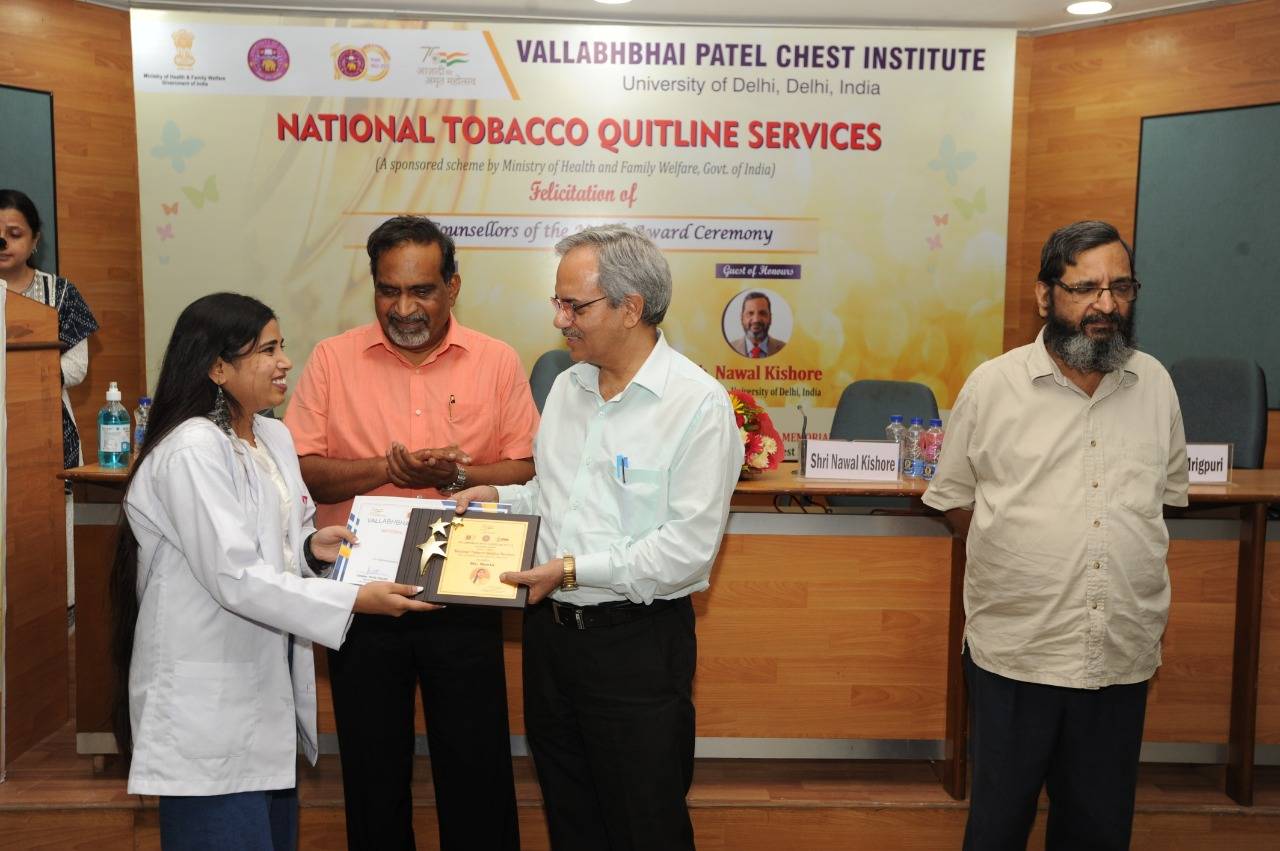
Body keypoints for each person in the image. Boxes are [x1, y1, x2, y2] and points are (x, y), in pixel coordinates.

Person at [108, 292, 434, 850]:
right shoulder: (192, 449)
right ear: (217, 368)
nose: (285, 362)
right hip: (208, 713)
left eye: (282, 346)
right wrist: (354, 600)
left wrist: (310, 550)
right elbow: (235, 576)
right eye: (267, 350)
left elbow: (276, 543)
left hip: (264, 698)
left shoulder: (273, 437)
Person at [455, 224, 742, 851]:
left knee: (646, 825)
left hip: (636, 647)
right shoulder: (568, 387)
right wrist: (500, 499)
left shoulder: (697, 405)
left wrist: (570, 569)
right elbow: (555, 497)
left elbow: (686, 551)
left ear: (630, 308)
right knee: (571, 818)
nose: (560, 319)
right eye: (558, 303)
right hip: (551, 643)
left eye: (575, 306)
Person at [923, 220, 1189, 851]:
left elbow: (1164, 499)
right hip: (1018, 652)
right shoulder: (993, 386)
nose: (1106, 304)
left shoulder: (1155, 384)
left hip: (1118, 652)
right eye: (1085, 288)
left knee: (1098, 830)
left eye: (1120, 287)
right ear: (1045, 296)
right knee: (998, 827)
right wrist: (1023, 550)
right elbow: (955, 500)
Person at [284, 215, 538, 851]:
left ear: (453, 287)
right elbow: (302, 468)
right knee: (372, 773)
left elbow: (529, 466)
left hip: (466, 589)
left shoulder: (497, 360)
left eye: (421, 291)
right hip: (363, 594)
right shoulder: (332, 360)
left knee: (477, 771)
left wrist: (459, 475)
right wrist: (386, 470)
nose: (404, 309)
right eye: (388, 291)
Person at [0, 188, 99, 470]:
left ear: (35, 240)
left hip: (46, 423)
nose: (3, 242)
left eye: (14, 234)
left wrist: (22, 376)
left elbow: (77, 367)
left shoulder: (61, 292)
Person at [728, 291, 785, 358]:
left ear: (770, 318)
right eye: (750, 313)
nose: (756, 320)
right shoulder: (728, 349)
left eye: (762, 313)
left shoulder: (786, 349)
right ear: (742, 318)